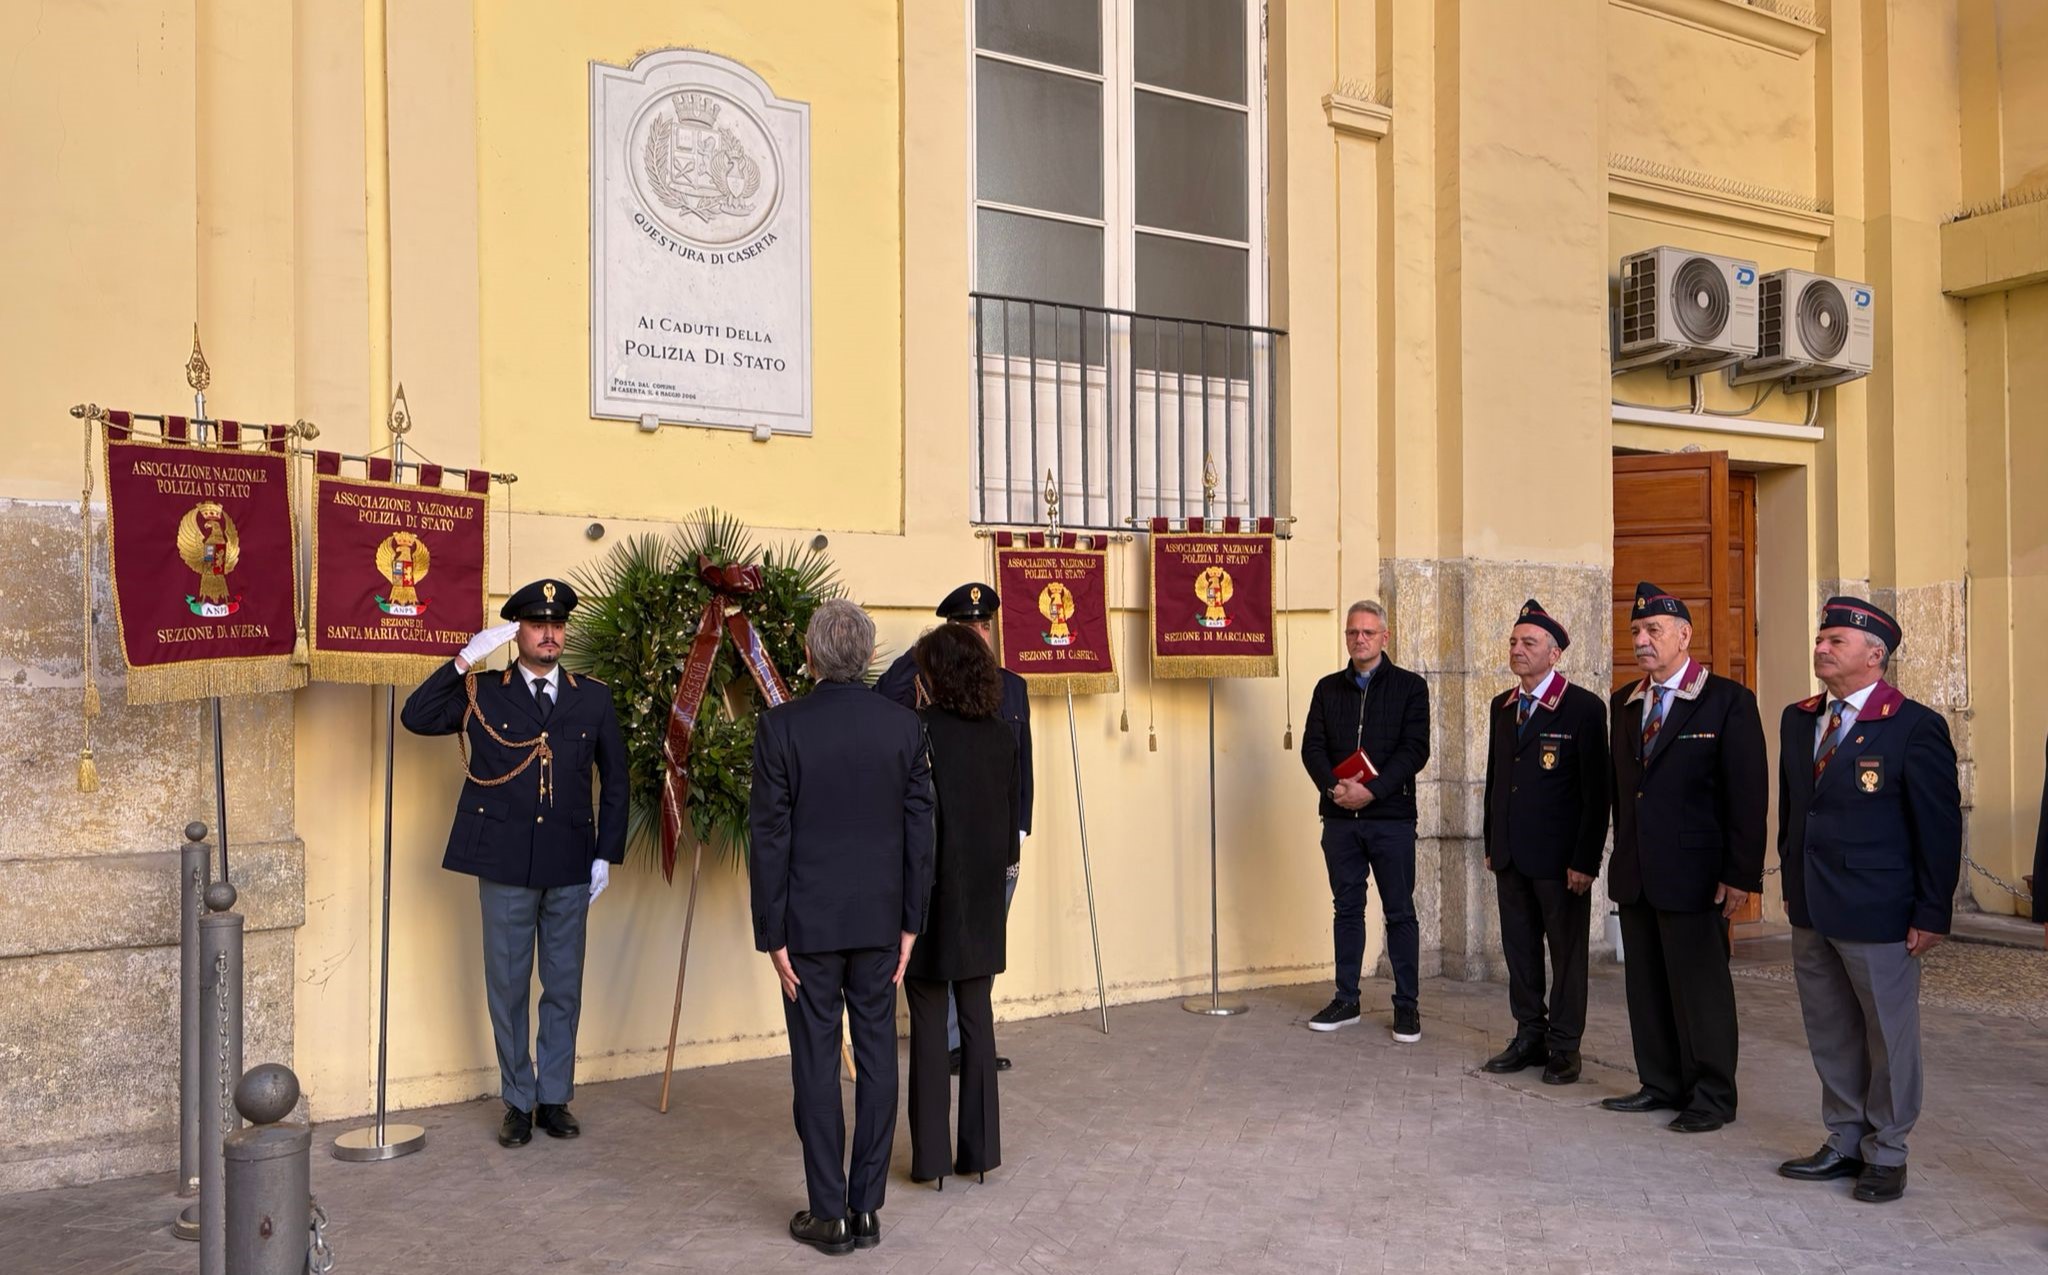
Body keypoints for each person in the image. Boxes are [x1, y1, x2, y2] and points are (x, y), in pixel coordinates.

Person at [400, 578, 626, 1148]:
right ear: (517, 632)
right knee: (506, 985)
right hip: (502, 861)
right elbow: (416, 716)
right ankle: (517, 1101)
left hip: (571, 860)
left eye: (556, 625)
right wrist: (462, 659)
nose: (549, 634)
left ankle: (554, 1098)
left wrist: (606, 853)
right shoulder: (484, 691)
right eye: (535, 624)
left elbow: (616, 780)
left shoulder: (592, 696)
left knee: (563, 984)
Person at [750, 600, 935, 1256]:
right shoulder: (902, 728)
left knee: (816, 1062)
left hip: (806, 927)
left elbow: (769, 838)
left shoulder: (780, 727)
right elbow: (921, 832)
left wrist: (771, 933)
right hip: (882, 919)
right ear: (866, 656)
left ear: (810, 654)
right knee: (880, 1058)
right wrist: (911, 922)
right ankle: (866, 1209)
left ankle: (827, 1212)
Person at [1774, 598, 1960, 1204]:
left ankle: (1888, 1151)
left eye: (1835, 640)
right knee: (1830, 1030)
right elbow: (1795, 811)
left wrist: (1932, 911)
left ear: (1874, 655)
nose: (1821, 647)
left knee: (1888, 1034)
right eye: (1820, 638)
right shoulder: (1799, 719)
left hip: (1879, 909)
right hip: (1812, 905)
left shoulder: (1912, 724)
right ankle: (1844, 1138)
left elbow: (1937, 828)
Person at [1602, 582, 1766, 1134]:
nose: (1642, 641)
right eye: (1635, 632)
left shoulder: (1726, 700)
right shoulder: (1625, 704)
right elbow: (1628, 793)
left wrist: (1740, 874)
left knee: (1701, 990)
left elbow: (1747, 794)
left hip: (1698, 876)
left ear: (1684, 636)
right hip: (1640, 871)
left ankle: (1713, 1095)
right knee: (1646, 985)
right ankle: (1660, 1082)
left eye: (1653, 631)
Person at [876, 581, 1031, 1074]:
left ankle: (968, 1039)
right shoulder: (922, 676)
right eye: (967, 627)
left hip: (995, 847)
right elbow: (887, 706)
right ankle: (946, 1047)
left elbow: (1020, 763)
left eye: (984, 626)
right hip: (943, 846)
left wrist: (1021, 827)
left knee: (980, 948)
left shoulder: (1012, 686)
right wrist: (921, 657)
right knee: (941, 946)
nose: (978, 635)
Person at [903, 623, 1016, 1190]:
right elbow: (1006, 820)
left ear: (935, 676)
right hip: (982, 895)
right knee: (976, 1019)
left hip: (929, 897)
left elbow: (916, 824)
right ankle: (981, 1153)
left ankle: (930, 1162)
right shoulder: (1003, 735)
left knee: (926, 1024)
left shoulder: (918, 731)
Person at [1481, 599, 1610, 1085]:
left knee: (1566, 954)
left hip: (1560, 862)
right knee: (1520, 950)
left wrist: (1585, 859)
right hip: (1512, 855)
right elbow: (1497, 779)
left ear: (1554, 654)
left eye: (1528, 643)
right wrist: (1492, 841)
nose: (1517, 649)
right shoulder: (1504, 706)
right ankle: (1529, 1034)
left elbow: (1597, 794)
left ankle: (1564, 1045)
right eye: (1514, 642)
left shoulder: (1582, 708)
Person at [1299, 599, 1432, 1042]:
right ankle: (1346, 999)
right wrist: (1335, 788)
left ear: (1384, 637)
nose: (1360, 639)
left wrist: (1371, 791)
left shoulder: (1411, 688)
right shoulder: (1327, 688)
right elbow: (1312, 748)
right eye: (1353, 633)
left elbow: (1415, 750)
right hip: (1339, 819)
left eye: (1368, 633)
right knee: (1347, 909)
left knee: (1399, 912)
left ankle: (1407, 1008)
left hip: (1391, 819)